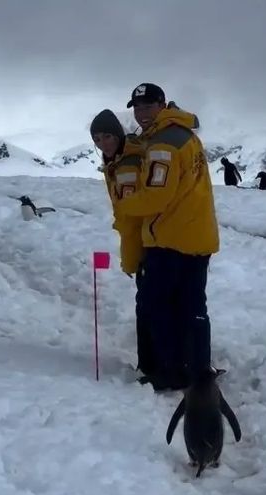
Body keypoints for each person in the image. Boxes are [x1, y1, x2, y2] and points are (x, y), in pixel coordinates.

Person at [114, 82, 220, 390]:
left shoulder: (163, 145)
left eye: (147, 106)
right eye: (137, 107)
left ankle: (169, 371)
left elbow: (156, 196)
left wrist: (124, 204)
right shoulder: (184, 134)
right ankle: (198, 367)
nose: (141, 113)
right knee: (192, 306)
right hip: (198, 235)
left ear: (162, 105)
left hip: (171, 238)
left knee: (156, 305)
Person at [90, 109, 157, 382]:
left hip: (148, 243)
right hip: (150, 240)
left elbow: (132, 218)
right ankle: (158, 364)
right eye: (97, 139)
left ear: (117, 134)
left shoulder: (127, 165)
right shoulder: (116, 161)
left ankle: (153, 367)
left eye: (107, 136)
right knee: (153, 304)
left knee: (149, 306)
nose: (103, 143)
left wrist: (132, 257)